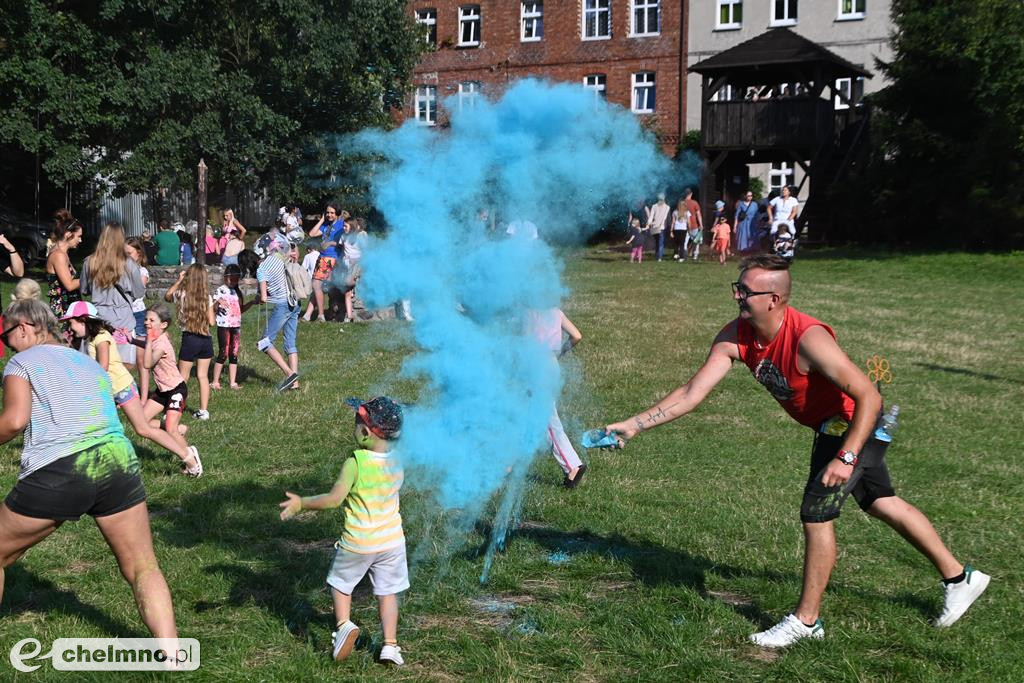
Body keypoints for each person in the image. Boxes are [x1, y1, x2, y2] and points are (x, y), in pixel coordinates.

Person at [605, 254, 990, 648]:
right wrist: (634, 425)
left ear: (773, 299)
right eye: (737, 288)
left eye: (746, 291)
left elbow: (868, 396)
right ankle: (961, 578)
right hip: (832, 426)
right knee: (879, 501)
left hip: (856, 423)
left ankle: (806, 622)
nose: (737, 296)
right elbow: (691, 393)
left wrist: (846, 457)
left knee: (816, 511)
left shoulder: (809, 339)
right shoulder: (736, 335)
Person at [0, 299, 181, 644]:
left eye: (8, 336)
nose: (8, 345)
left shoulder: (21, 362)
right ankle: (173, 656)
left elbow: (14, 421)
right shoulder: (87, 362)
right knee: (143, 566)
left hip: (61, 469)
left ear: (22, 327)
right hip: (118, 461)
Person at [278, 396, 408, 666]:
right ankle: (390, 646)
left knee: (340, 585)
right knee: (387, 593)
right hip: (392, 542)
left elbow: (334, 499)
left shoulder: (356, 462)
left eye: (357, 421)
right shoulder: (398, 461)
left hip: (358, 542)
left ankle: (343, 625)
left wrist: (302, 503)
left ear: (364, 433)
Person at [62, 301, 201, 476]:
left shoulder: (101, 338)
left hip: (127, 388)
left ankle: (188, 456)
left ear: (83, 320)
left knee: (143, 429)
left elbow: (102, 367)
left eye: (71, 323)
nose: (69, 327)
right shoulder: (94, 337)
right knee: (137, 425)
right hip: (119, 389)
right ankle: (98, 462)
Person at [525, 308, 586, 487]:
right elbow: (577, 335)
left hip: (536, 368)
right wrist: (560, 352)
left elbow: (526, 343)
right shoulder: (556, 311)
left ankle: (572, 465)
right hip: (552, 365)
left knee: (548, 420)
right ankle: (510, 463)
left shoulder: (529, 313)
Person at [81, 222, 145, 371]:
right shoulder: (129, 264)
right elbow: (139, 292)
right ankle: (117, 391)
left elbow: (84, 289)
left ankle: (102, 391)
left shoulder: (89, 262)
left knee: (98, 364)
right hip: (123, 321)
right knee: (123, 365)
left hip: (99, 320)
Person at [164, 265, 215, 420]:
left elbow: (167, 295)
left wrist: (179, 280)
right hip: (205, 339)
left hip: (190, 338)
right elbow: (212, 322)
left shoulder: (181, 294)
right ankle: (204, 411)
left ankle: (174, 409)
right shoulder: (207, 297)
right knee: (202, 376)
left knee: (183, 377)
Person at [142, 304, 192, 452]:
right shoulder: (158, 337)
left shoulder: (160, 344)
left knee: (171, 430)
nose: (146, 322)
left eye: (151, 320)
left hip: (176, 389)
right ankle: (178, 428)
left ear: (163, 324)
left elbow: (147, 363)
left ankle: (191, 458)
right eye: (146, 319)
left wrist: (148, 341)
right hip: (163, 390)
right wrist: (131, 340)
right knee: (142, 422)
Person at [256, 234, 300, 391]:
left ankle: (289, 374)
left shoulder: (262, 268)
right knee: (290, 342)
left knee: (264, 342)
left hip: (282, 305)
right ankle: (295, 383)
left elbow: (263, 297)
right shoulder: (280, 258)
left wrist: (261, 297)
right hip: (295, 302)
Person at [212, 264, 252, 390]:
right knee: (223, 353)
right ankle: (215, 381)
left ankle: (232, 382)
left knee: (233, 354)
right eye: (231, 279)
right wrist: (218, 303)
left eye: (236, 279)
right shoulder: (220, 290)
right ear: (226, 277)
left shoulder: (237, 292)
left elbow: (241, 309)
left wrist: (252, 303)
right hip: (224, 326)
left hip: (236, 326)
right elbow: (211, 307)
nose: (234, 281)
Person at [307, 204, 346, 323]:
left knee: (316, 285)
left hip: (331, 258)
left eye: (332, 213)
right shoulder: (326, 225)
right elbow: (311, 234)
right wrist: (322, 220)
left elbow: (345, 242)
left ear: (337, 214)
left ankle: (320, 315)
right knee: (317, 286)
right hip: (322, 257)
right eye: (327, 212)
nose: (329, 214)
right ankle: (310, 315)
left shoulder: (341, 225)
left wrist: (331, 244)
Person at [45, 217, 83, 342]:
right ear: (68, 235)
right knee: (65, 346)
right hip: (63, 309)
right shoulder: (58, 255)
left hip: (68, 306)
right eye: (78, 236)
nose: (80, 240)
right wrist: (90, 278)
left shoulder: (63, 253)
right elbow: (69, 285)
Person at [340, 218, 369, 323]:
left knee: (347, 282)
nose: (343, 228)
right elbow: (344, 250)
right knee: (347, 292)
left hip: (357, 264)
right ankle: (349, 316)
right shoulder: (343, 237)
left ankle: (355, 283)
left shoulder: (359, 237)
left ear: (351, 226)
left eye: (345, 226)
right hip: (347, 265)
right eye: (343, 226)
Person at [646, 193, 670, 262]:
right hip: (660, 227)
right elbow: (664, 218)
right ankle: (659, 258)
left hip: (654, 227)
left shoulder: (654, 206)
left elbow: (651, 216)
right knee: (660, 243)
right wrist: (661, 225)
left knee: (657, 242)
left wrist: (649, 223)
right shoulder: (667, 207)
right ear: (664, 199)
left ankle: (657, 256)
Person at [681, 188, 703, 262]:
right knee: (696, 241)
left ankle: (684, 255)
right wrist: (701, 224)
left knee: (684, 242)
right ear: (691, 194)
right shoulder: (695, 203)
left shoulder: (682, 203)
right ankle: (695, 256)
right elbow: (698, 214)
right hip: (694, 225)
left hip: (683, 225)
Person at [301, 245, 322, 321]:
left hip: (313, 279)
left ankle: (308, 315)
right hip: (323, 278)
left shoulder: (308, 256)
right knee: (315, 296)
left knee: (315, 295)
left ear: (309, 250)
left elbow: (303, 269)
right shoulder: (321, 254)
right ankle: (308, 315)